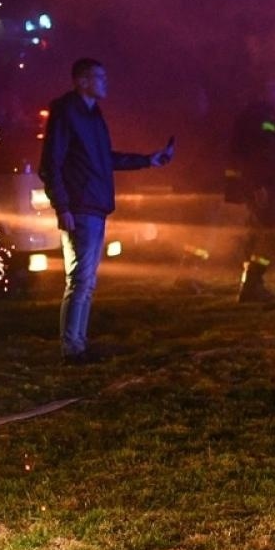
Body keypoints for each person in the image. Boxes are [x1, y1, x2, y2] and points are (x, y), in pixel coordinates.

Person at [40, 58, 175, 362]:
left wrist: (148, 160)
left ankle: (78, 344)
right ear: (82, 81)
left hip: (95, 206)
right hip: (81, 206)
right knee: (80, 280)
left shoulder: (93, 116)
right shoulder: (67, 112)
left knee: (86, 281)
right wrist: (62, 206)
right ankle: (72, 348)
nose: (105, 82)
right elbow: (50, 164)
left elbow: (104, 158)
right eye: (98, 77)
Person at [225, 80, 275, 302]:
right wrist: (260, 184)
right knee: (273, 232)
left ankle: (250, 285)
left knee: (257, 233)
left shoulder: (255, 116)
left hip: (257, 185)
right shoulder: (259, 118)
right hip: (261, 186)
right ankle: (252, 282)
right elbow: (259, 154)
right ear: (266, 92)